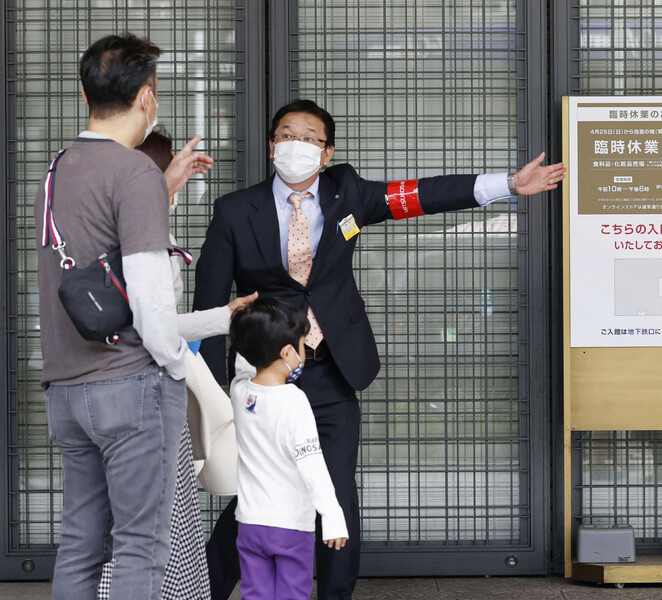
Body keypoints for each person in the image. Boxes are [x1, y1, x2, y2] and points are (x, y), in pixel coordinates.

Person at [194, 98, 566, 600]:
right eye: (286, 134)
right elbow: (209, 302)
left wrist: (507, 185)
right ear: (270, 146)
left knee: (336, 493)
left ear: (326, 153)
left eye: (309, 137)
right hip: (263, 377)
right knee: (261, 495)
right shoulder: (235, 211)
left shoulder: (347, 194)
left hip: (330, 369)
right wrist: (212, 390)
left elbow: (420, 195)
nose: (296, 145)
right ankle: (203, 589)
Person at [34, 34, 202, 600]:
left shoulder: (56, 171)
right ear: (148, 98)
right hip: (131, 385)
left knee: (80, 543)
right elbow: (153, 300)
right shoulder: (134, 174)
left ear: (85, 92)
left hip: (65, 389)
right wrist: (176, 366)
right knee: (140, 547)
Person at [95, 130, 256, 600]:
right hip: (148, 394)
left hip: (108, 391)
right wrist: (217, 323)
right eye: (179, 170)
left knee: (132, 518)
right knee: (159, 523)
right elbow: (156, 330)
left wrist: (222, 317)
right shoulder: (146, 235)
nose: (184, 182)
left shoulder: (108, 225)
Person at [229, 297, 349, 600]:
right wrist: (332, 517)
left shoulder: (240, 392)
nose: (304, 354)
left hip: (251, 524)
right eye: (302, 346)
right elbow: (312, 464)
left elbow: (243, 364)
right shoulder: (294, 401)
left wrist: (247, 322)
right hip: (291, 527)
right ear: (287, 353)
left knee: (254, 594)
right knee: (292, 594)